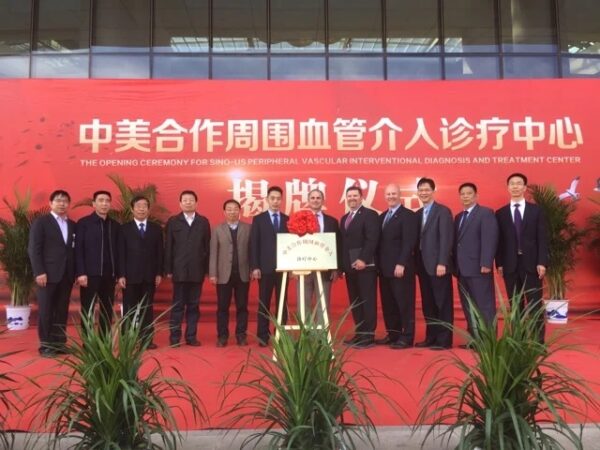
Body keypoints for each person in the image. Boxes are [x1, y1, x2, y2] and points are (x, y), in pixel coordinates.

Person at [496, 173, 548, 342]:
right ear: (508, 187)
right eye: (512, 183)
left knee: (534, 304)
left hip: (532, 264)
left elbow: (542, 238)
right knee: (515, 305)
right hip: (510, 265)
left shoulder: (536, 211)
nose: (515, 186)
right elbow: (500, 241)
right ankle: (518, 340)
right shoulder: (501, 213)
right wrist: (500, 263)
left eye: (519, 183)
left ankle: (538, 341)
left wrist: (542, 262)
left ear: (525, 188)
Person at [28, 190, 75, 357]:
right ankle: (46, 346)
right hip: (47, 275)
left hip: (66, 275)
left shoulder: (72, 224)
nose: (62, 204)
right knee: (46, 310)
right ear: (50, 203)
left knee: (61, 309)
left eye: (65, 201)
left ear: (69, 204)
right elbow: (34, 249)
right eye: (58, 200)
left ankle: (59, 343)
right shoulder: (41, 222)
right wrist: (39, 271)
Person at [164, 190, 210, 347]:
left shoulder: (203, 222)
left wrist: (207, 269)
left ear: (196, 203)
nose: (188, 202)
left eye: (191, 200)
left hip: (197, 271)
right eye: (185, 200)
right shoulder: (173, 221)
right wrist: (168, 269)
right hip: (179, 271)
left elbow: (207, 247)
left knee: (194, 306)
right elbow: (168, 246)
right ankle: (174, 338)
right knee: (177, 306)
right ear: (180, 203)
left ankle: (191, 337)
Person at [453, 182, 498, 343]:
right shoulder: (458, 217)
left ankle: (488, 340)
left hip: (479, 268)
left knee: (484, 305)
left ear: (476, 196)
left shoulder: (485, 213)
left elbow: (489, 239)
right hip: (462, 269)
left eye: (469, 193)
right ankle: (474, 338)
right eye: (462, 194)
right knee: (468, 305)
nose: (465, 196)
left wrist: (486, 262)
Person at [376, 183, 418, 349]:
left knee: (404, 303)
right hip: (384, 269)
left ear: (399, 195)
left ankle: (407, 337)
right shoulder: (382, 217)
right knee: (389, 304)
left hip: (401, 268)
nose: (391, 197)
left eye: (394, 194)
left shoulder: (408, 215)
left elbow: (409, 242)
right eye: (388, 194)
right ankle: (393, 334)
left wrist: (401, 263)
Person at [118, 196, 163, 349]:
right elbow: (121, 253)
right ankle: (127, 341)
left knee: (147, 309)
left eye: (145, 206)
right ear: (132, 209)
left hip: (149, 276)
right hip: (130, 277)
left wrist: (158, 273)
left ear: (149, 210)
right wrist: (121, 274)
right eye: (138, 206)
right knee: (129, 309)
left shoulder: (156, 229)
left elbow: (160, 253)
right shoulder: (124, 229)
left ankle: (146, 340)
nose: (142, 209)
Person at [415, 177, 454, 350]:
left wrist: (442, 262)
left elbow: (446, 239)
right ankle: (431, 337)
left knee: (442, 303)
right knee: (428, 303)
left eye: (426, 189)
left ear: (433, 191)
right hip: (422, 266)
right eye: (421, 190)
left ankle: (444, 340)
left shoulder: (442, 211)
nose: (424, 193)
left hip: (438, 265)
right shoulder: (417, 214)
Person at [340, 186, 380, 349]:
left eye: (355, 196)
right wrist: (342, 266)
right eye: (349, 196)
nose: (352, 198)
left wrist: (363, 259)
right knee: (355, 302)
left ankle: (368, 336)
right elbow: (344, 244)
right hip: (350, 268)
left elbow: (372, 239)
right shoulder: (344, 218)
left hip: (366, 266)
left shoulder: (370, 215)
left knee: (367, 300)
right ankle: (360, 332)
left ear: (361, 197)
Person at [75, 190, 119, 332]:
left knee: (107, 309)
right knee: (87, 309)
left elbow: (119, 252)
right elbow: (78, 250)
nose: (104, 203)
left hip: (109, 276)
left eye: (107, 201)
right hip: (89, 275)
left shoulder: (115, 225)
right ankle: (88, 343)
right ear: (94, 204)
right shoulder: (84, 223)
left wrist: (118, 274)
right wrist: (81, 273)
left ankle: (104, 340)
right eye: (101, 200)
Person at [250, 186, 289, 347]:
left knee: (282, 303)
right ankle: (262, 335)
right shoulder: (259, 219)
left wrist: (292, 267)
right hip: (264, 268)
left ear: (281, 200)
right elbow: (254, 244)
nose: (275, 201)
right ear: (267, 199)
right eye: (272, 198)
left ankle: (280, 335)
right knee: (264, 303)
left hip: (284, 269)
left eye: (278, 198)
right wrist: (255, 267)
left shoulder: (288, 219)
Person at [209, 199, 251, 347]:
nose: (232, 211)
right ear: (224, 212)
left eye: (235, 209)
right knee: (222, 307)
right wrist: (213, 273)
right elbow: (213, 252)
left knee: (242, 306)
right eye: (229, 209)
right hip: (223, 274)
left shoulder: (248, 228)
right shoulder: (217, 229)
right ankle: (222, 336)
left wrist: (253, 269)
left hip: (243, 273)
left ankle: (241, 335)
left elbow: (251, 251)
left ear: (239, 211)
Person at [297, 189, 341, 325]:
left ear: (323, 201)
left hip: (325, 268)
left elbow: (337, 245)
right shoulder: (298, 220)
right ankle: (306, 338)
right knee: (304, 304)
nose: (315, 200)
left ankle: (322, 338)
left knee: (323, 303)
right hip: (303, 268)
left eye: (318, 198)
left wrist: (336, 268)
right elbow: (294, 244)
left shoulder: (332, 221)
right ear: (308, 201)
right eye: (312, 198)